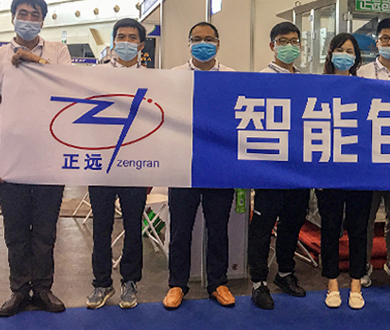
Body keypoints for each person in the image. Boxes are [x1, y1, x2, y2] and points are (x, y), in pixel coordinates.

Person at [0, 0, 71, 317]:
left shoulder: (58, 52)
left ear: (43, 20)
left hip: (50, 158)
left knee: (45, 231)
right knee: (16, 231)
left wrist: (34, 61)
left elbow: (69, 87)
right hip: (12, 161)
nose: (28, 19)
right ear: (12, 17)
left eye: (35, 14)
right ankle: (19, 290)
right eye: (23, 13)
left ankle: (43, 289)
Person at [163, 22, 236, 310]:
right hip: (184, 164)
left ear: (218, 43)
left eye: (209, 39)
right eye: (197, 39)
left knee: (218, 228)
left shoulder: (232, 77)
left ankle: (218, 283)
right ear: (189, 42)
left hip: (219, 165)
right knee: (180, 229)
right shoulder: (174, 76)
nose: (203, 44)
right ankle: (177, 284)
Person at [86, 18, 149, 310]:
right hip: (101, 162)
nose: (126, 42)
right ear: (113, 41)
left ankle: (130, 281)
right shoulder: (96, 75)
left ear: (141, 44)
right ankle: (101, 283)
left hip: (136, 163)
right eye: (121, 36)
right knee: (101, 226)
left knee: (133, 226)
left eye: (132, 37)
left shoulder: (154, 79)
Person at [248, 21, 310, 310]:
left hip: (298, 167)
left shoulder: (306, 80)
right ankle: (258, 281)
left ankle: (285, 273)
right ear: (272, 46)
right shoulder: (260, 79)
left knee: (292, 222)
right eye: (283, 41)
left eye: (294, 41)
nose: (289, 46)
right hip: (270, 167)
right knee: (263, 225)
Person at [316, 33, 373, 309]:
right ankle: (332, 283)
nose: (344, 55)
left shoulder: (365, 87)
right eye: (340, 49)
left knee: (359, 228)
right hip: (328, 168)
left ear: (356, 57)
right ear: (330, 54)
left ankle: (356, 283)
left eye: (350, 51)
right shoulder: (317, 85)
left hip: (360, 169)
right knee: (330, 227)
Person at [357, 18, 390, 288]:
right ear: (376, 42)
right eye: (385, 38)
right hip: (369, 154)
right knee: (365, 215)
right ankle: (362, 265)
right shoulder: (362, 72)